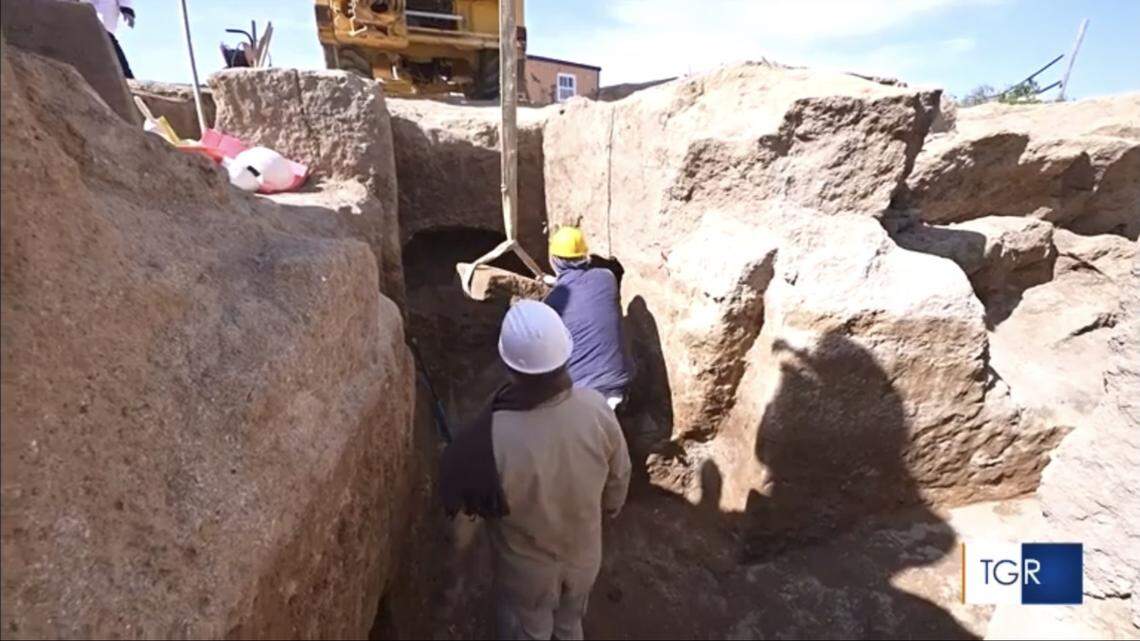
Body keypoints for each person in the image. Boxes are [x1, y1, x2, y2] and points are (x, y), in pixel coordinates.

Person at [440, 300, 631, 640]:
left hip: (526, 575)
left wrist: (456, 562)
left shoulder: (487, 441)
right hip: (584, 558)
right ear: (565, 356)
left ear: (508, 365)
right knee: (570, 623)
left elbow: (463, 524)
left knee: (529, 630)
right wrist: (608, 509)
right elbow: (619, 478)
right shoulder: (596, 409)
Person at [544, 227, 632, 410]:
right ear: (585, 255)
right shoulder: (607, 278)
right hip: (618, 384)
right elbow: (582, 287)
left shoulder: (552, 303)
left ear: (554, 259)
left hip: (581, 395)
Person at [82, 0, 135, 79]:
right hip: (84, 13)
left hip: (105, 15)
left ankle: (126, 74)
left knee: (109, 44)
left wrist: (127, 10)